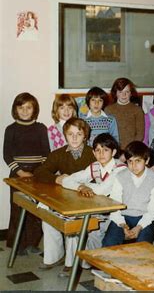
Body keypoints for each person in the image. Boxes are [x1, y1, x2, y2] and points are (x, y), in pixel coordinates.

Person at [34, 118, 95, 276]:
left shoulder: (93, 153)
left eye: (79, 134)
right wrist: (56, 178)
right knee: (46, 210)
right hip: (66, 197)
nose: (74, 138)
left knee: (72, 220)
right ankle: (54, 255)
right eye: (70, 134)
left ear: (85, 136)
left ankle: (72, 262)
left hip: (88, 199)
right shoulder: (58, 154)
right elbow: (40, 172)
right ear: (65, 136)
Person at [57, 134, 126, 269]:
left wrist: (87, 186)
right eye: (98, 150)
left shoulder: (120, 168)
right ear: (93, 152)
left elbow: (102, 190)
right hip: (100, 208)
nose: (101, 154)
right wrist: (81, 186)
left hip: (118, 212)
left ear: (114, 152)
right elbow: (66, 180)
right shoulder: (95, 166)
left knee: (93, 231)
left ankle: (92, 263)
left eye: (106, 150)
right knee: (73, 224)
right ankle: (75, 264)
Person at [4, 93, 50, 256]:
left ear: (34, 109)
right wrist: (21, 172)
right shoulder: (11, 129)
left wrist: (38, 172)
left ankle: (32, 243)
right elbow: (6, 154)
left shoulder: (41, 128)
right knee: (17, 208)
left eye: (28, 107)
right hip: (18, 173)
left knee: (35, 210)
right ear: (15, 109)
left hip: (37, 173)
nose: (24, 111)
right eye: (21, 107)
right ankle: (17, 244)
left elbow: (46, 153)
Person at [102, 141, 154, 247]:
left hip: (145, 218)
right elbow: (114, 205)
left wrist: (139, 227)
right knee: (108, 243)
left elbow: (153, 210)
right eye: (130, 161)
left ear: (147, 160)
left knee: (142, 247)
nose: (133, 166)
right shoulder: (120, 176)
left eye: (138, 161)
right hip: (123, 217)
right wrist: (122, 224)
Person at [105, 77, 145, 149]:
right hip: (112, 149)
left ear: (131, 93)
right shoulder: (108, 110)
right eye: (120, 92)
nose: (124, 95)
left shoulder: (137, 110)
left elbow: (140, 135)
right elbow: (106, 133)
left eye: (127, 92)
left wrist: (129, 151)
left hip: (131, 150)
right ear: (115, 93)